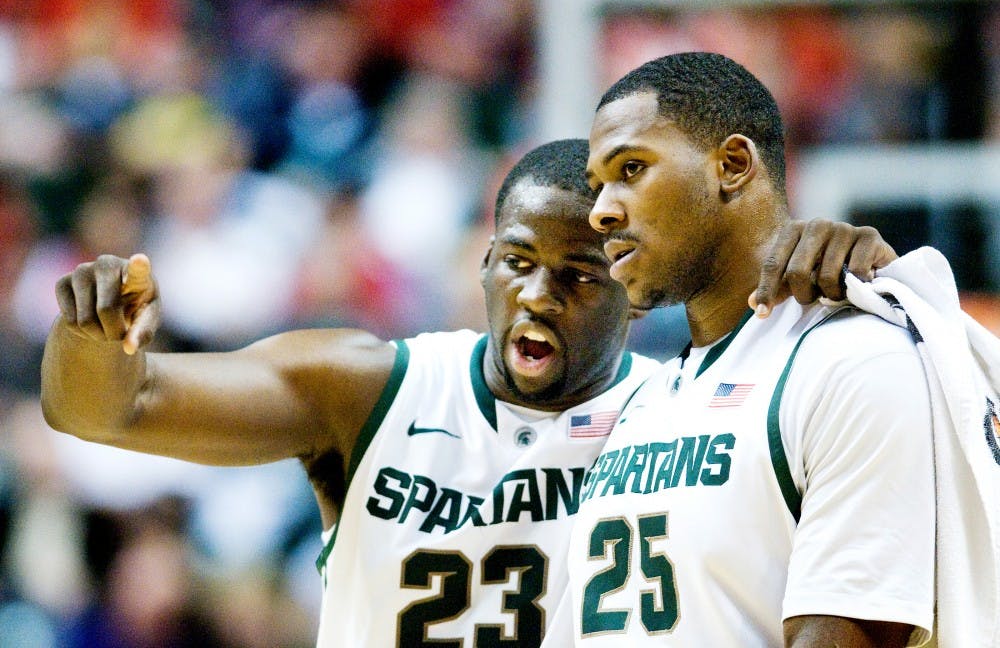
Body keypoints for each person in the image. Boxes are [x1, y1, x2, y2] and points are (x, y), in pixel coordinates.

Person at [40, 138, 897, 647]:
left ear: (634, 291)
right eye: (519, 261)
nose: (537, 294)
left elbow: (854, 433)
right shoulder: (368, 386)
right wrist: (90, 339)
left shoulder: (687, 411)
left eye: (578, 274)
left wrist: (857, 277)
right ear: (484, 265)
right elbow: (103, 407)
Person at [559, 52, 935, 647]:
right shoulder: (645, 402)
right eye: (596, 186)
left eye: (631, 169)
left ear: (733, 164)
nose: (601, 211)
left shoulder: (856, 361)